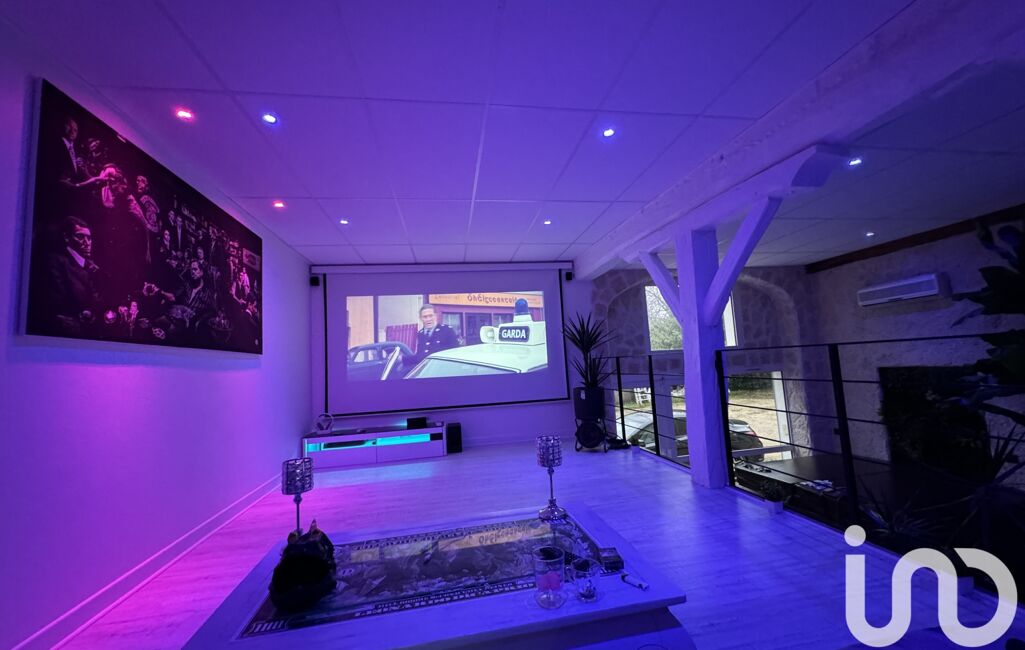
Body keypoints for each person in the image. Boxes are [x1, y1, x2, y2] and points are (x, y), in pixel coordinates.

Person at [35, 216, 101, 335]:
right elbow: (56, 305)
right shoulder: (54, 262)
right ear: (67, 237)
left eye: (89, 238)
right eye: (80, 237)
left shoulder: (91, 267)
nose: (87, 243)